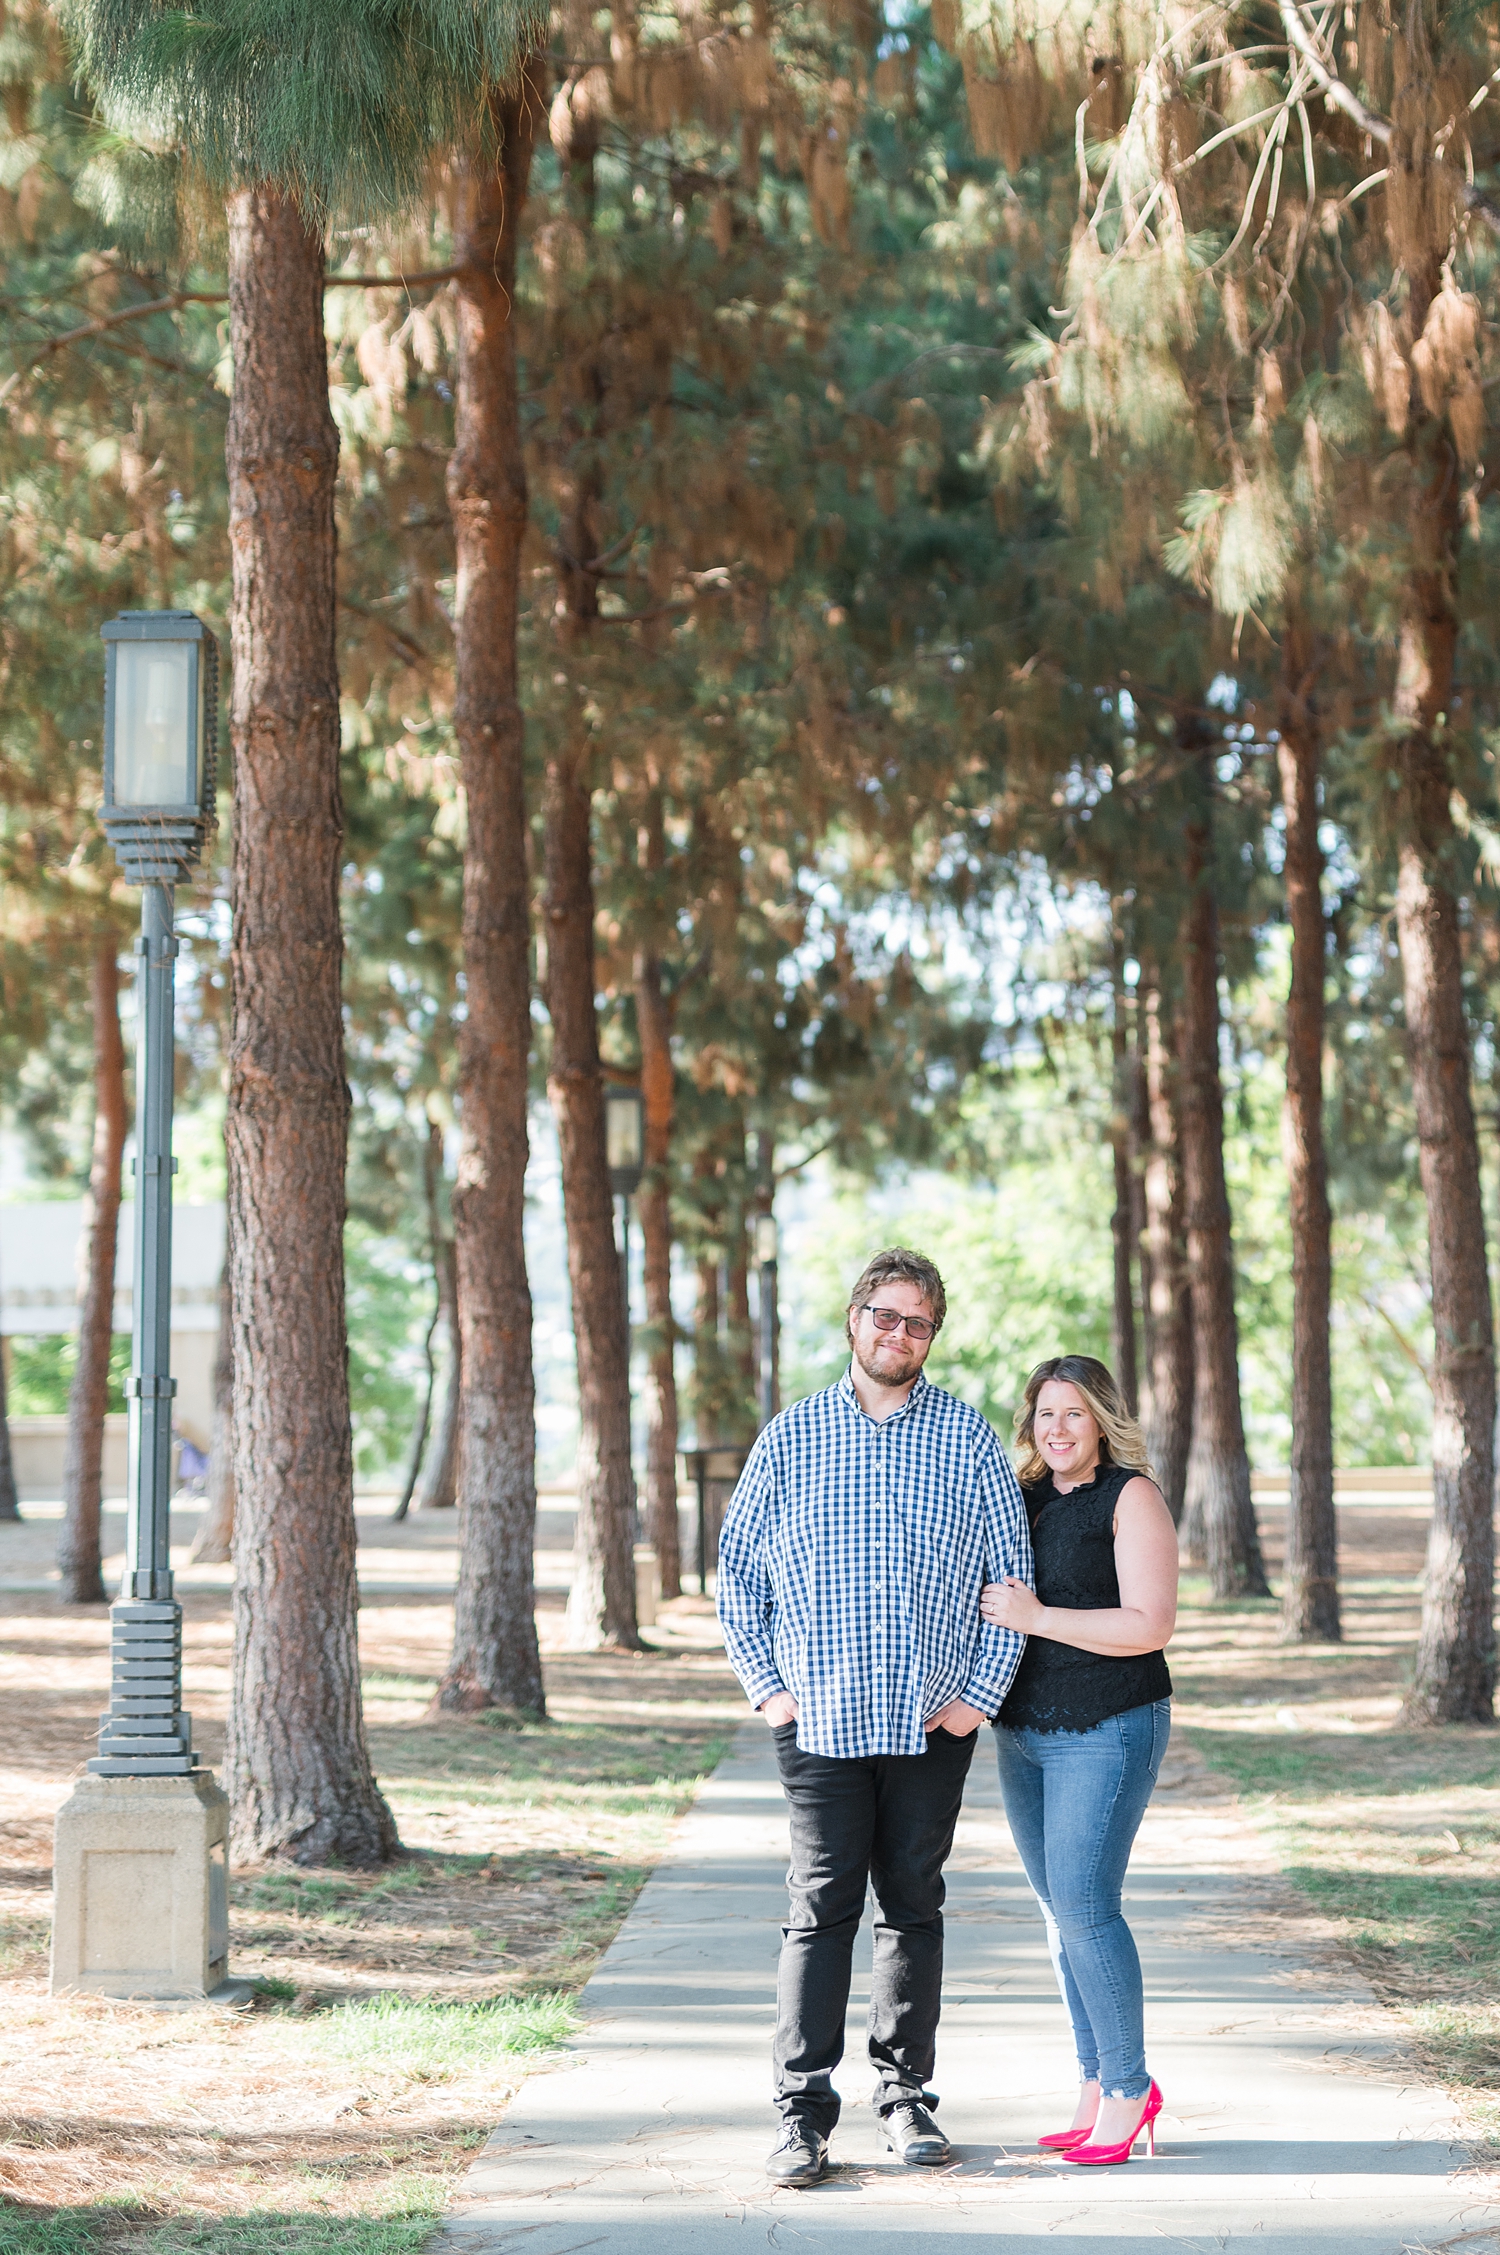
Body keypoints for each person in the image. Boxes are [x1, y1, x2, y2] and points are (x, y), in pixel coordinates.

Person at [716, 1247, 1033, 2189]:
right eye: (885, 1315)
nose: (899, 1333)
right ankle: (802, 2112)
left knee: (914, 1907)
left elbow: (1008, 1581)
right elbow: (738, 1576)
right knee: (819, 1911)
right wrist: (770, 1689)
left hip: (932, 1726)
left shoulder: (968, 1439)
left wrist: (979, 1696)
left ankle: (904, 2097)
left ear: (933, 1334)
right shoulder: (792, 1435)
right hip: (820, 1726)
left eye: (918, 1321)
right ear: (855, 1319)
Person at [980, 1354, 1178, 2167]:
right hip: (1023, 1730)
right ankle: (1098, 2083)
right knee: (1061, 1915)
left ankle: (1131, 2087)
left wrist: (1037, 1615)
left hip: (1110, 1721)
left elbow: (1148, 1624)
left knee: (1088, 1908)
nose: (1056, 1428)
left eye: (1073, 1413)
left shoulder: (1131, 1496)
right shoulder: (1019, 1500)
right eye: (1044, 1413)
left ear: (1102, 1420)